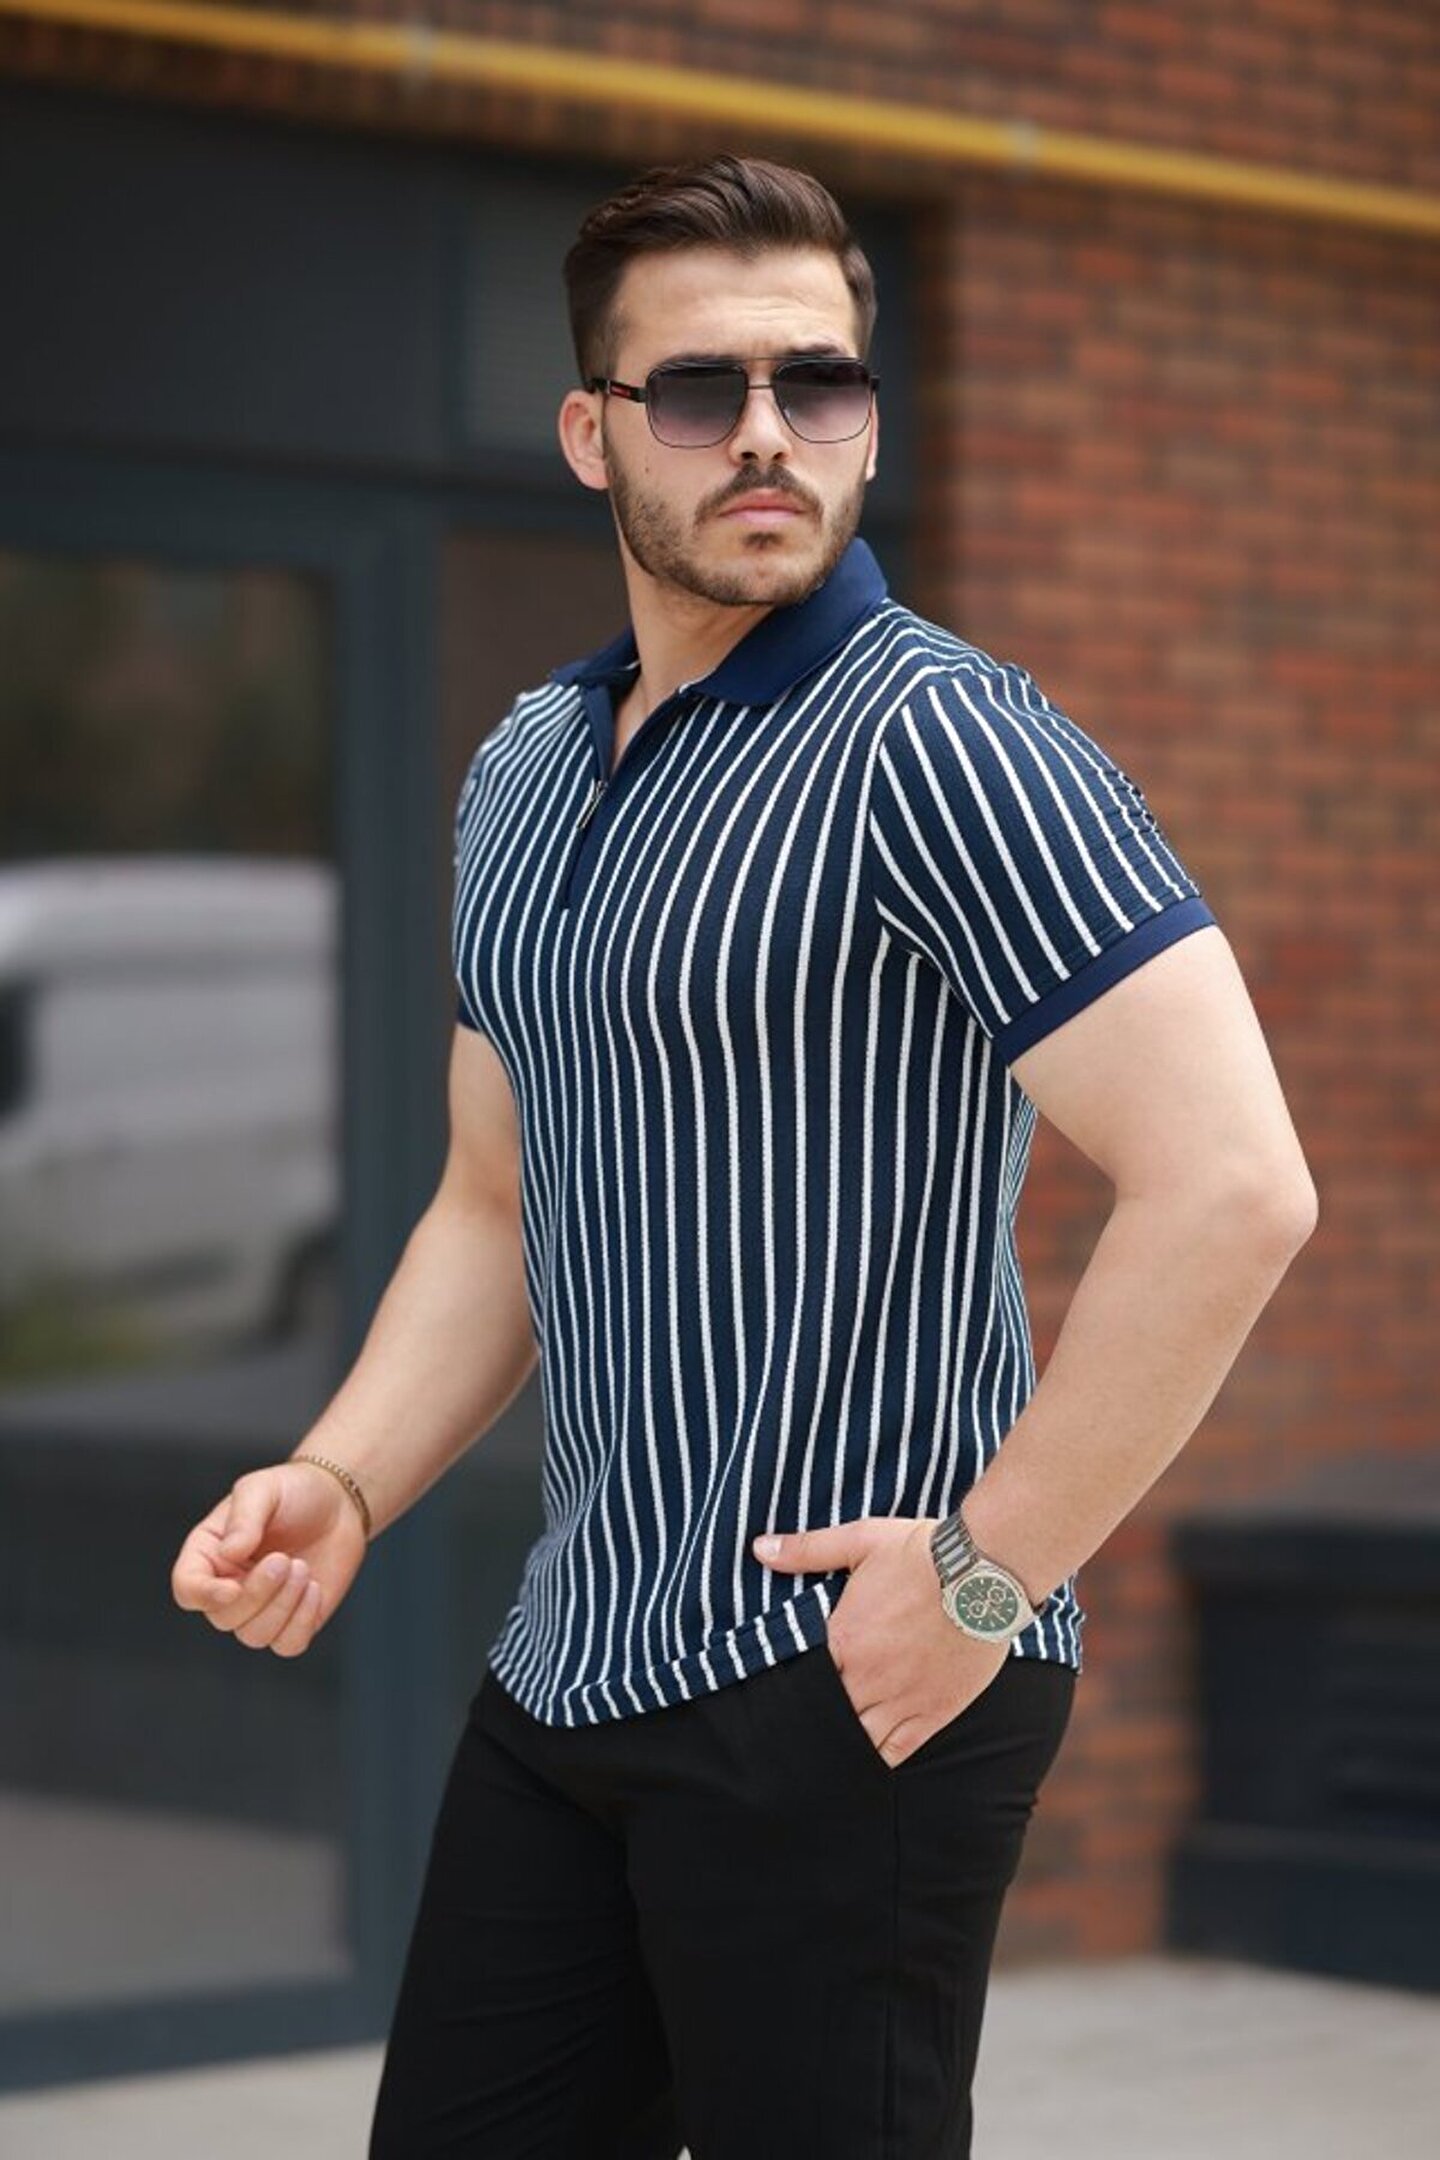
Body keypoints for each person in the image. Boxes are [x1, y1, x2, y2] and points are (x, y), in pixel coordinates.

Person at [171, 153, 1318, 2157]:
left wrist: (982, 1577)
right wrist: (343, 1479)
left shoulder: (946, 742)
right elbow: (496, 1206)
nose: (771, 434)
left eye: (822, 382)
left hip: (841, 1670)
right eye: (702, 390)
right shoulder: (527, 768)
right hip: (575, 1657)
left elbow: (1233, 1186)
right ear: (592, 431)